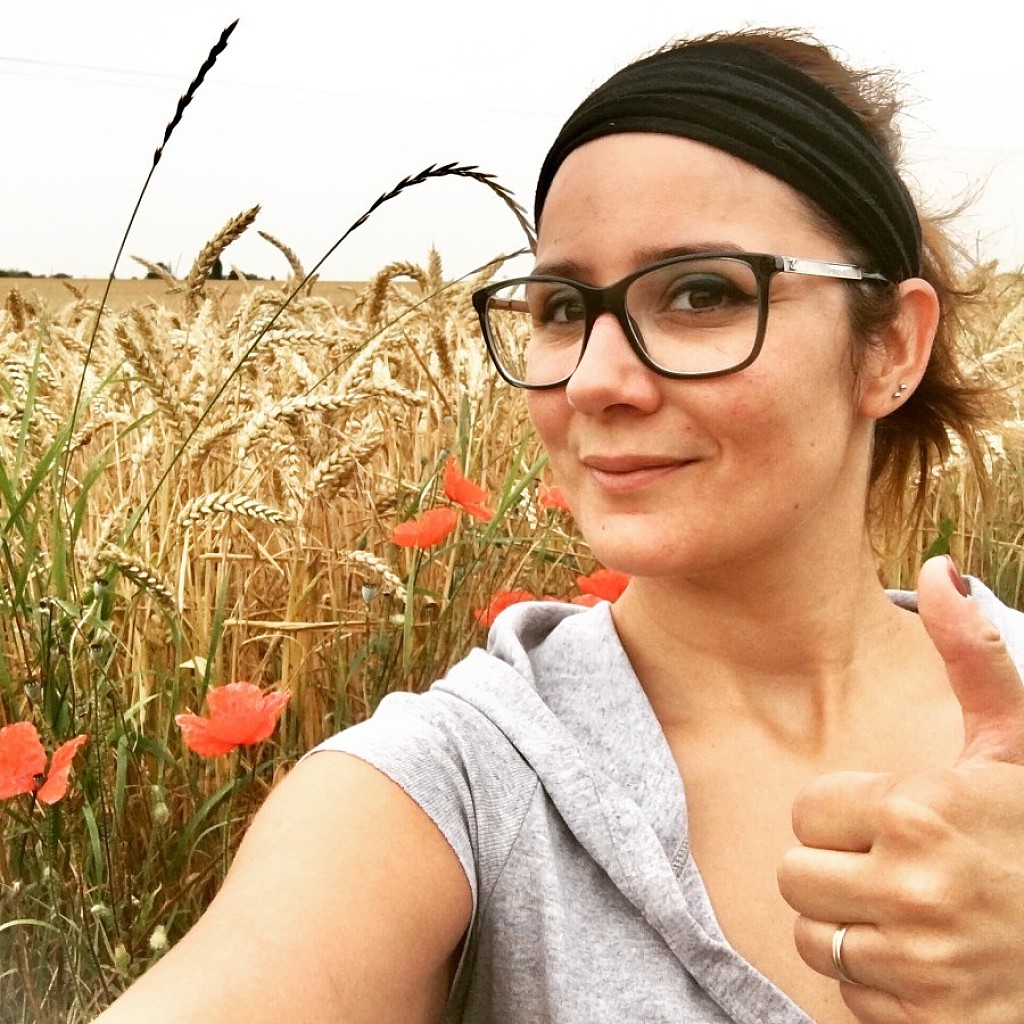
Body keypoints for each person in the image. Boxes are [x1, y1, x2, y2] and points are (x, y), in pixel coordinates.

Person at [94, 28, 1024, 1024]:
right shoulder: (456, 780)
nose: (593, 381)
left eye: (701, 293)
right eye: (562, 308)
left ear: (891, 346)